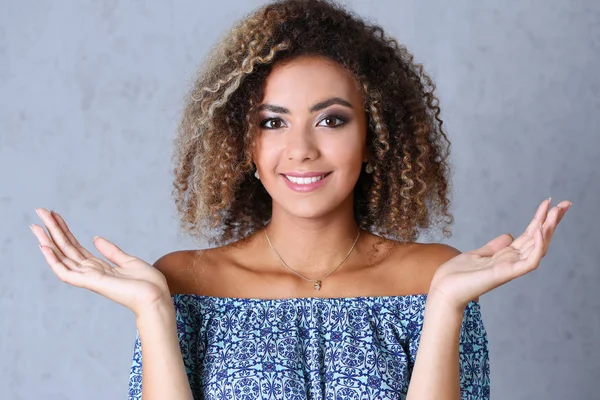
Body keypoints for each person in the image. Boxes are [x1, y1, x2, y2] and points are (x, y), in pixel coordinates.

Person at [31, 0, 572, 399]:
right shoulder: (183, 284)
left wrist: (446, 307)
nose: (301, 150)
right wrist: (153, 310)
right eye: (272, 123)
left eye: (331, 120)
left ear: (374, 137)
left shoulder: (436, 279)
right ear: (244, 145)